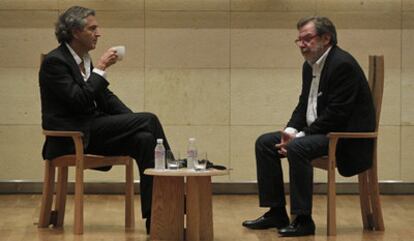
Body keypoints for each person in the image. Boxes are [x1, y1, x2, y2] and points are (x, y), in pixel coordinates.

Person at [39, 6, 171, 233]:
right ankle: (175, 188)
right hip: (72, 136)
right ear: (74, 31)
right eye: (92, 28)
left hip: (93, 130)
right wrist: (100, 69)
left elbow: (107, 99)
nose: (98, 33)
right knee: (149, 120)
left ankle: (158, 218)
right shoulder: (55, 62)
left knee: (145, 137)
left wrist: (132, 121)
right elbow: (79, 101)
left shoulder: (84, 60)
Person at [242, 16, 376, 237]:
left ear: (326, 38)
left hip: (345, 137)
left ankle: (303, 219)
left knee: (298, 148)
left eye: (307, 38)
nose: (302, 44)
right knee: (265, 143)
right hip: (321, 132)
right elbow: (304, 104)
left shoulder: (342, 64)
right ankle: (276, 212)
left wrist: (300, 137)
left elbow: (337, 114)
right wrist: (291, 131)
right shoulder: (310, 66)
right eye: (299, 40)